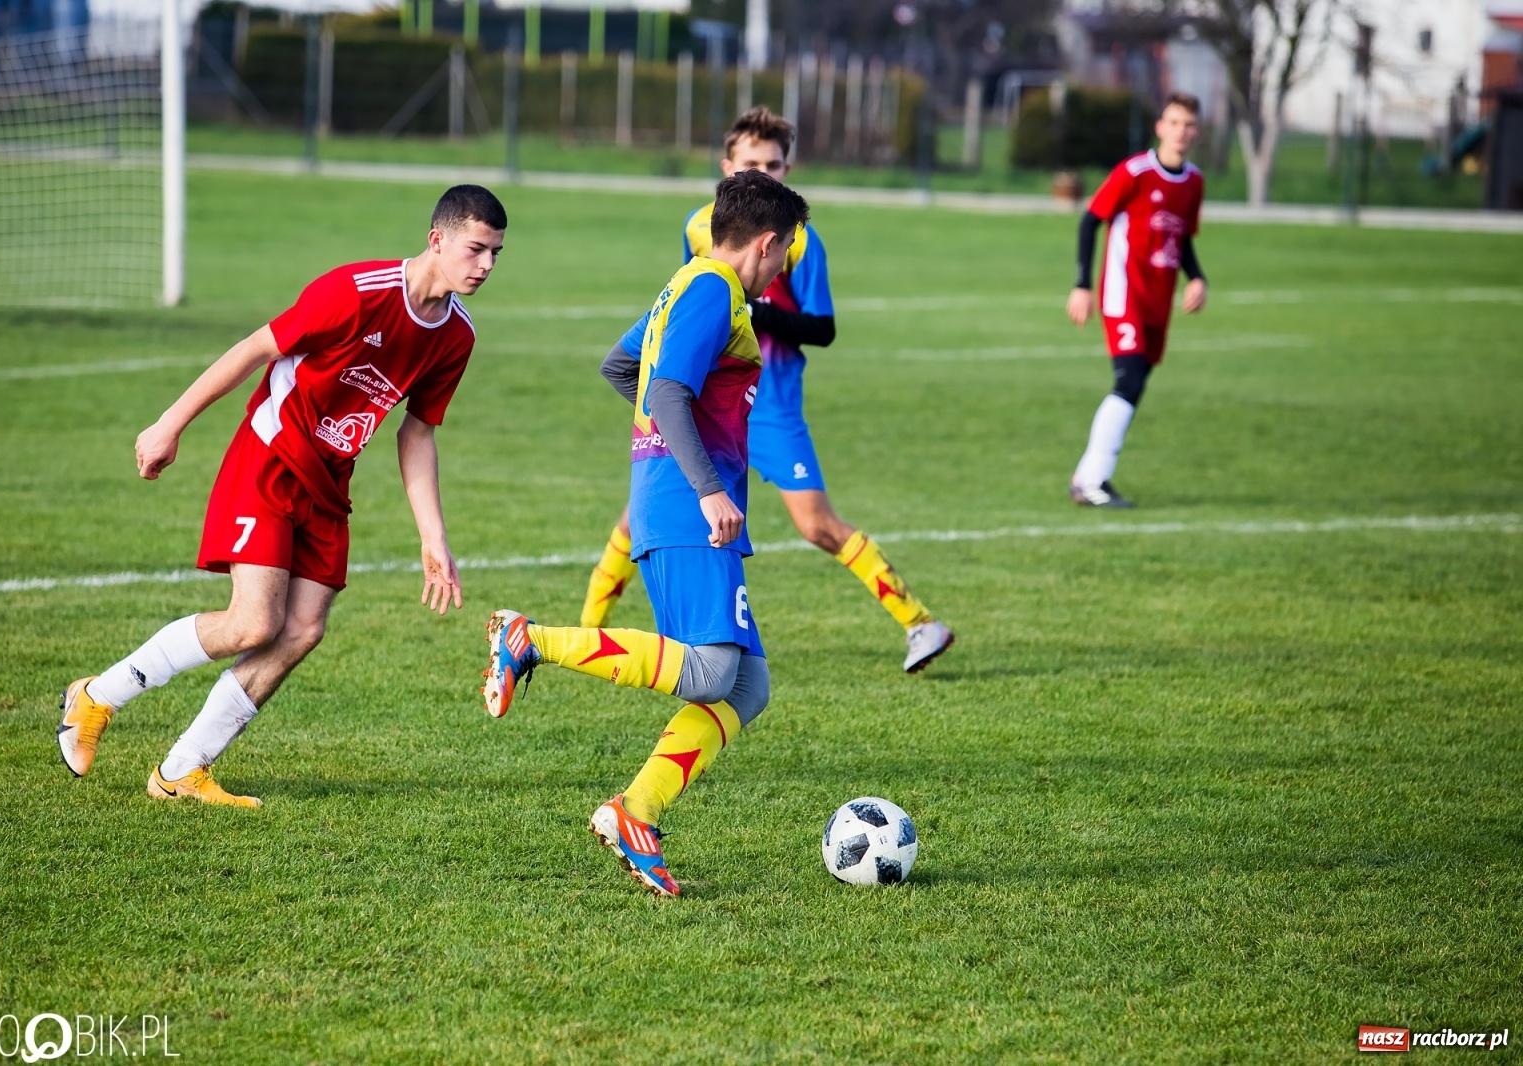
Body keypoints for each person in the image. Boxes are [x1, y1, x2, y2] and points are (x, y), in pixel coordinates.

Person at [57, 185, 507, 806]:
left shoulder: (456, 336)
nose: (485, 266)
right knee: (253, 621)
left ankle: (182, 769)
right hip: (269, 459)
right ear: (438, 240)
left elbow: (419, 431)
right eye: (476, 249)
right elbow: (256, 348)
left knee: (301, 630)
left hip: (330, 482)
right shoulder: (355, 291)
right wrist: (170, 423)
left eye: (495, 255)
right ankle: (97, 696)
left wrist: (434, 538)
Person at [482, 171, 808, 897]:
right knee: (714, 670)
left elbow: (621, 365)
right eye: (785, 250)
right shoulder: (713, 289)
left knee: (747, 685)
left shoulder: (684, 285)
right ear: (765, 242)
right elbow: (661, 390)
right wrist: (705, 483)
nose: (786, 263)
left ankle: (634, 812)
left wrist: (668, 444)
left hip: (678, 496)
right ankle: (529, 640)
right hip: (687, 505)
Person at [579, 106, 954, 674]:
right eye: (753, 163)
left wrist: (754, 310)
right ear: (728, 167)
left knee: (817, 525)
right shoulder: (699, 230)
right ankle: (584, 636)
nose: (765, 173)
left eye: (775, 164)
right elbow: (686, 326)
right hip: (709, 404)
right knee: (640, 516)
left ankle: (921, 622)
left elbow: (822, 328)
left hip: (772, 403)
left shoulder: (800, 241)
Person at [1067, 93, 1208, 508]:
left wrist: (1196, 278)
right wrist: (1082, 285)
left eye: (1189, 125)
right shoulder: (1135, 172)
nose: (1181, 132)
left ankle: (1089, 476)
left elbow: (1179, 239)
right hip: (1122, 293)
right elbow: (1090, 222)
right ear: (1159, 127)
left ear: (1195, 132)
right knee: (1127, 380)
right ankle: (1091, 483)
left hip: (1158, 301)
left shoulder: (1194, 182)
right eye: (1174, 122)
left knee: (1137, 384)